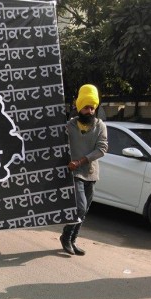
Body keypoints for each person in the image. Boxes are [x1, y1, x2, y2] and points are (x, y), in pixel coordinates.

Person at [60, 84, 108, 256]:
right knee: (79, 208)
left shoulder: (100, 126)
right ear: (79, 107)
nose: (90, 110)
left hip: (90, 173)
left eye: (92, 107)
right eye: (86, 107)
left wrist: (80, 161)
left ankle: (73, 240)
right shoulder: (69, 126)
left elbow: (102, 149)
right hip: (74, 174)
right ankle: (65, 237)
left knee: (85, 210)